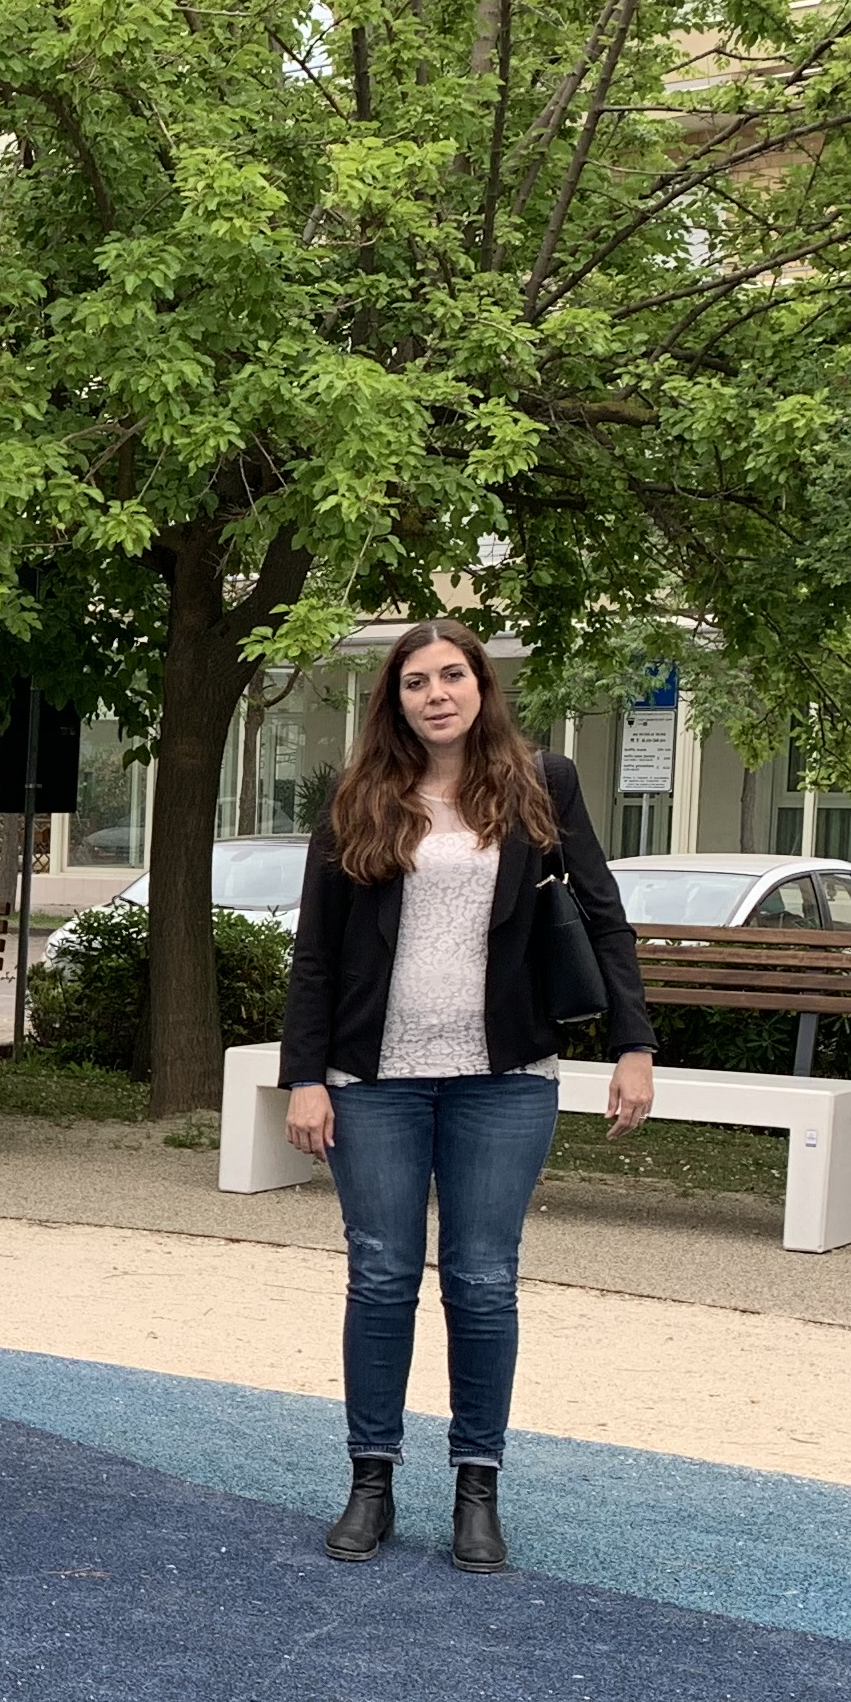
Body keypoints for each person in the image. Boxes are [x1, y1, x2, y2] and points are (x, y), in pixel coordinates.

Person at [276, 621, 654, 1572]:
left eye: (452, 676)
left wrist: (634, 1045)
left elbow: (603, 918)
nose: (436, 694)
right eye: (416, 682)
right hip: (376, 1083)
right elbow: (316, 952)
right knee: (381, 1275)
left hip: (504, 1079)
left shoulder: (541, 783)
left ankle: (476, 1488)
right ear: (394, 699)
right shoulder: (358, 797)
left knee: (483, 1281)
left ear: (481, 685)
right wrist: (307, 1077)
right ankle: (371, 1483)